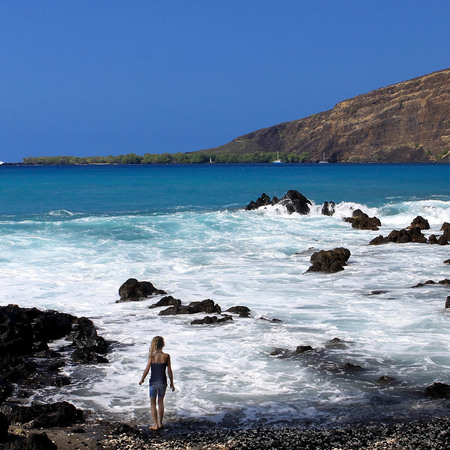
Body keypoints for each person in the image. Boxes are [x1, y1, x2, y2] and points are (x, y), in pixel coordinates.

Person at [139, 336, 175, 430]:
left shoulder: (152, 356)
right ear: (163, 344)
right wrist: (172, 383)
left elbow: (147, 369)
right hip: (163, 382)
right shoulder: (166, 356)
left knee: (153, 403)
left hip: (153, 383)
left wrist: (142, 379)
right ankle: (160, 423)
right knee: (161, 402)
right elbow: (169, 371)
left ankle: (155, 425)